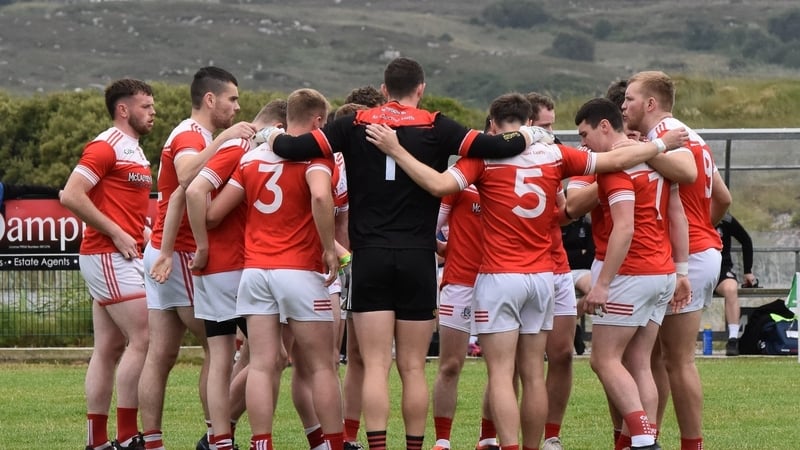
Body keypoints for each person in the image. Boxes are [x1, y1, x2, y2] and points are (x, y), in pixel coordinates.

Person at [365, 92, 688, 450]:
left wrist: (396, 150)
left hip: (500, 276)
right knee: (534, 374)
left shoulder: (483, 157)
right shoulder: (554, 153)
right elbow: (615, 158)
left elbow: (438, 185)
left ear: (492, 125)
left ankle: (507, 445)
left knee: (502, 374)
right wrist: (660, 145)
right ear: (530, 123)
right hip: (542, 277)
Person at [260, 58, 547, 450]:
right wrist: (532, 134)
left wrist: (267, 134)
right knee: (412, 368)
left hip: (369, 257)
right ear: (421, 89)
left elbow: (293, 147)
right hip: (417, 257)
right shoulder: (436, 125)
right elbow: (498, 145)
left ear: (383, 89)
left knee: (376, 366)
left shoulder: (353, 124)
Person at [207, 87, 343, 450]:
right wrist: (329, 248)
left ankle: (260, 443)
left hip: (255, 271)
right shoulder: (317, 156)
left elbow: (215, 212)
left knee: (261, 364)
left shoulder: (251, 159)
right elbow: (320, 195)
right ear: (318, 121)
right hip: (299, 270)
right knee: (322, 366)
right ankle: (333, 443)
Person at [139, 66, 253, 450]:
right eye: (232, 99)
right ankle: (217, 436)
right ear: (210, 99)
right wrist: (225, 141)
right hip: (184, 252)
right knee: (219, 348)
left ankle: (152, 440)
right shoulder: (192, 134)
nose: (237, 107)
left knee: (161, 353)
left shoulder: (194, 135)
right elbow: (187, 178)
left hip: (165, 249)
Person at [573, 98, 691, 450]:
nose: (583, 144)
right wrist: (680, 270)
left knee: (603, 359)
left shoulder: (616, 165)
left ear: (604, 126)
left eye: (585, 134)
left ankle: (642, 439)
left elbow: (624, 228)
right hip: (661, 270)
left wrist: (602, 284)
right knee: (639, 362)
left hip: (631, 271)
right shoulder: (655, 160)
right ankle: (641, 438)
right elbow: (677, 213)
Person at [623, 70, 732, 450]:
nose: (624, 106)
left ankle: (690, 444)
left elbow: (685, 176)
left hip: (686, 258)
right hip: (697, 251)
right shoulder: (691, 135)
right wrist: (704, 229)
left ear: (651, 103)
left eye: (630, 99)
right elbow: (723, 198)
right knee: (655, 357)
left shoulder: (666, 137)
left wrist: (694, 239)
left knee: (677, 359)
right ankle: (647, 438)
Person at [183, 99, 287, 450]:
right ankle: (231, 437)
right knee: (270, 357)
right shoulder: (241, 147)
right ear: (278, 127)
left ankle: (219, 440)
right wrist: (202, 246)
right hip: (229, 268)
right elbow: (194, 191)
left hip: (222, 269)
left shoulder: (240, 147)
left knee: (224, 358)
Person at [60, 78, 156, 450]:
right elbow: (71, 194)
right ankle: (128, 436)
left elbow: (119, 205)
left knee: (109, 348)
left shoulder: (135, 150)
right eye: (146, 106)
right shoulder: (106, 145)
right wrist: (117, 233)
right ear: (123, 109)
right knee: (143, 337)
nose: (153, 112)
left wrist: (142, 234)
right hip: (107, 255)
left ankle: (97, 442)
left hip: (117, 255)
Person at [526, 91, 577, 450]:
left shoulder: (554, 156)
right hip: (519, 270)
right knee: (517, 363)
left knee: (562, 354)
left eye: (553, 125)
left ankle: (552, 435)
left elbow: (563, 213)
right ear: (528, 124)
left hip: (557, 267)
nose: (552, 133)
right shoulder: (499, 157)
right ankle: (492, 434)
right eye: (545, 126)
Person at [714, 213, 758, 356]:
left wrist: (747, 271)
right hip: (695, 269)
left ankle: (733, 339)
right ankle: (685, 340)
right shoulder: (690, 215)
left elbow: (746, 240)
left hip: (721, 270)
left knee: (731, 289)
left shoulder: (725, 218)